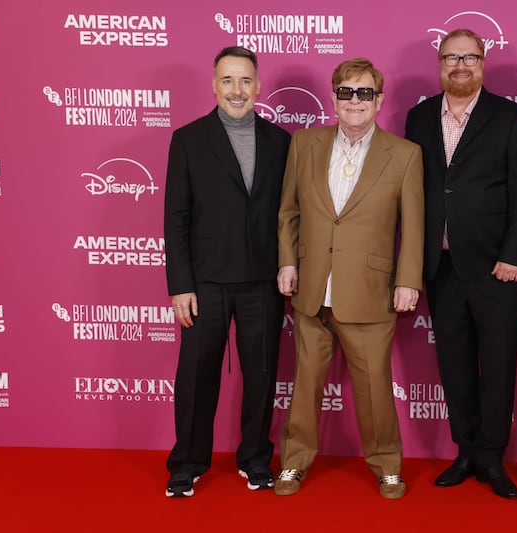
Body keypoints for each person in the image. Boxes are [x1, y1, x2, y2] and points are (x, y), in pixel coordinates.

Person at [275, 57, 424, 499]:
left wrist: (408, 279)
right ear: (334, 97)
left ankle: (387, 465)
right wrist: (288, 261)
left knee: (375, 388)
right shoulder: (304, 143)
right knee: (305, 384)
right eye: (346, 92)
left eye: (364, 93)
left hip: (371, 291)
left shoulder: (406, 154)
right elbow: (288, 212)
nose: (354, 101)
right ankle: (293, 461)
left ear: (379, 100)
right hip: (311, 289)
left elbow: (413, 225)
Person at [405, 28, 517, 499]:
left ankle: (491, 458)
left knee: (498, 368)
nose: (460, 65)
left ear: (483, 62)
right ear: (439, 64)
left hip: (496, 270)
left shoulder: (510, 117)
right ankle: (464, 450)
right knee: (454, 365)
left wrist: (513, 257)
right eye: (450, 57)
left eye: (469, 57)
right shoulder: (418, 117)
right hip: (441, 270)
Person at [163, 46, 291, 497]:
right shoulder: (188, 139)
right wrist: (180, 285)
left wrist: (289, 265)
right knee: (196, 376)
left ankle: (256, 459)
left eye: (245, 81)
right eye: (228, 81)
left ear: (258, 86)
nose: (237, 90)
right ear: (214, 85)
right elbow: (175, 218)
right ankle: (187, 462)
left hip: (264, 281)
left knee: (261, 375)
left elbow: (289, 213)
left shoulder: (281, 141)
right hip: (205, 283)